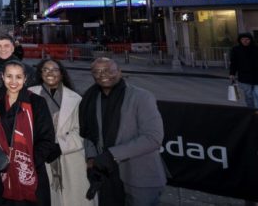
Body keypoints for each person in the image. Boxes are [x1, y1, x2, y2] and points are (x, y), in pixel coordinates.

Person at [80, 58, 166, 206]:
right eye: (97, 71)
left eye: (108, 70)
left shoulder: (142, 97)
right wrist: (91, 160)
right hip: (106, 177)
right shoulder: (91, 98)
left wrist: (111, 155)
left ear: (119, 72)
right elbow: (89, 134)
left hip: (139, 176)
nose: (102, 74)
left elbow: (153, 138)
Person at [0, 61, 57, 206]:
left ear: (25, 78)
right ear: (2, 76)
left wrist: (28, 162)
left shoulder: (37, 102)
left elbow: (47, 138)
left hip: (29, 170)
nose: (13, 82)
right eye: (9, 76)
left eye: (18, 77)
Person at [28, 59, 91, 206]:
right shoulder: (28, 95)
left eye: (55, 70)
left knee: (73, 199)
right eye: (46, 70)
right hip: (39, 156)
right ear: (40, 73)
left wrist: (59, 146)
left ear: (61, 74)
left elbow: (82, 130)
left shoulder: (76, 99)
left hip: (70, 157)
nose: (50, 73)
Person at [229, 32, 258, 112]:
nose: (245, 41)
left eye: (247, 39)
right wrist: (232, 73)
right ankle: (251, 111)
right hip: (245, 75)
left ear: (251, 40)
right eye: (242, 39)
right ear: (240, 40)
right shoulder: (236, 49)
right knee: (248, 95)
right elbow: (233, 62)